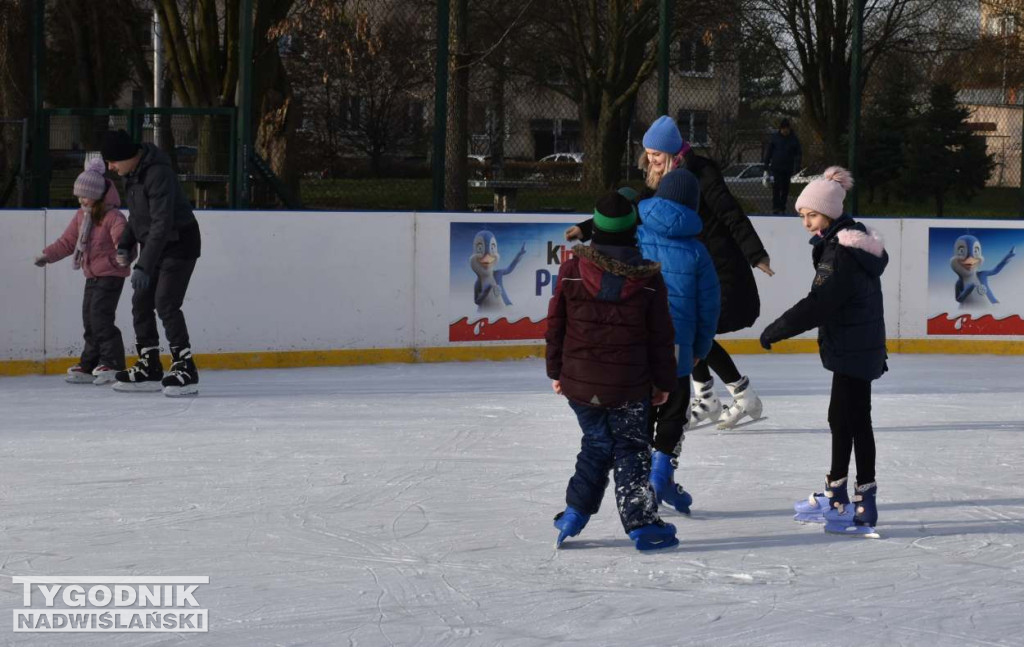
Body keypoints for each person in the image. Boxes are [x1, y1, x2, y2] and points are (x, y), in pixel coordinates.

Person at [566, 115, 773, 431]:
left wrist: (755, 254)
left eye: (657, 154)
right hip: (686, 269)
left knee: (689, 335)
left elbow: (731, 214)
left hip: (717, 268)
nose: (651, 160)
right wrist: (587, 227)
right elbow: (630, 211)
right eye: (648, 153)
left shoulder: (702, 174)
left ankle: (740, 394)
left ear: (674, 152)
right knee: (683, 331)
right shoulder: (659, 180)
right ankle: (708, 397)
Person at [545, 192, 680, 551]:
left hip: (580, 383)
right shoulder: (649, 279)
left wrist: (555, 371)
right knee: (632, 448)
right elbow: (661, 338)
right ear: (633, 231)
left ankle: (575, 512)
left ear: (596, 231)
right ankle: (643, 525)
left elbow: (555, 323)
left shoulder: (572, 270)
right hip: (629, 387)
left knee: (596, 444)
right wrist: (664, 383)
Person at [758, 166, 887, 537]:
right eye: (802, 215)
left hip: (851, 348)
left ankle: (848, 501)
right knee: (849, 420)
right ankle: (850, 498)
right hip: (859, 345)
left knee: (849, 421)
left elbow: (819, 303)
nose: (805, 223)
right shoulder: (852, 244)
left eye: (810, 215)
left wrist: (776, 330)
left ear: (829, 213)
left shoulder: (840, 253)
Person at [635, 169, 720, 516]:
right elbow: (709, 305)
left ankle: (650, 479)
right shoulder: (697, 251)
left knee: (641, 408)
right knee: (674, 408)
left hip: (638, 341)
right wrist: (700, 349)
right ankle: (660, 473)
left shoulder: (635, 236)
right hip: (677, 345)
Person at [100, 129, 202, 397]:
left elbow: (161, 222)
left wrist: (144, 265)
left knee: (166, 302)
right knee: (141, 301)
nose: (111, 167)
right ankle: (150, 364)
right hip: (156, 245)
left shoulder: (158, 174)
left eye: (113, 161)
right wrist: (125, 242)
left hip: (179, 242)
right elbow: (137, 216)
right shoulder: (132, 175)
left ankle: (185, 367)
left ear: (127, 156)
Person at [34, 158, 130, 385]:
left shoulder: (113, 216)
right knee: (89, 318)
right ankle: (90, 364)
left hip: (111, 273)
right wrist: (48, 255)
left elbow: (122, 237)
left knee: (100, 317)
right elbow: (68, 241)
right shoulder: (82, 216)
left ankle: (113, 362)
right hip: (92, 275)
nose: (81, 200)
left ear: (97, 195)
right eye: (79, 196)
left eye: (84, 196)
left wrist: (122, 251)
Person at [763, 118, 802, 214]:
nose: (785, 131)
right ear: (780, 129)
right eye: (783, 129)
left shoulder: (793, 139)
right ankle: (776, 207)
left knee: (785, 188)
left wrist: (797, 166)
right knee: (776, 188)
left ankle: (782, 207)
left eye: (787, 129)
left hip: (787, 168)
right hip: (776, 167)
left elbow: (798, 153)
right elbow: (769, 151)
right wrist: (766, 165)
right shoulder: (775, 138)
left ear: (789, 129)